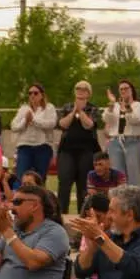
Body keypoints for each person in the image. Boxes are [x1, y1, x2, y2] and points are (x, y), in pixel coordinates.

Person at [54, 80, 103, 215]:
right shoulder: (67, 107)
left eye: (84, 89)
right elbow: (63, 124)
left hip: (87, 150)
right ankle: (61, 214)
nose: (80, 91)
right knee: (64, 182)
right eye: (78, 88)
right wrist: (73, 111)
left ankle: (83, 215)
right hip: (67, 150)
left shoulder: (93, 108)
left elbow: (89, 125)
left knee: (83, 184)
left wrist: (80, 111)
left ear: (89, 93)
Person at [10, 84, 58, 185]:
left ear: (42, 95)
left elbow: (51, 123)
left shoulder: (49, 108)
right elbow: (14, 126)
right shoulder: (24, 109)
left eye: (35, 93)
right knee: (21, 177)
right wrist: (25, 121)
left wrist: (34, 120)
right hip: (24, 147)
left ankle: (40, 199)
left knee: (40, 178)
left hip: (43, 147)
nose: (32, 95)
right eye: (30, 93)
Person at [102, 80, 140, 184]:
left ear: (132, 90)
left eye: (126, 88)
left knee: (134, 175)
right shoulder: (115, 106)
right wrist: (112, 103)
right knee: (118, 176)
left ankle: (135, 199)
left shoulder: (138, 105)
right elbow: (106, 119)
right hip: (115, 142)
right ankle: (121, 199)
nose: (123, 91)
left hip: (132, 141)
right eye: (121, 89)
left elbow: (135, 119)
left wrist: (127, 106)